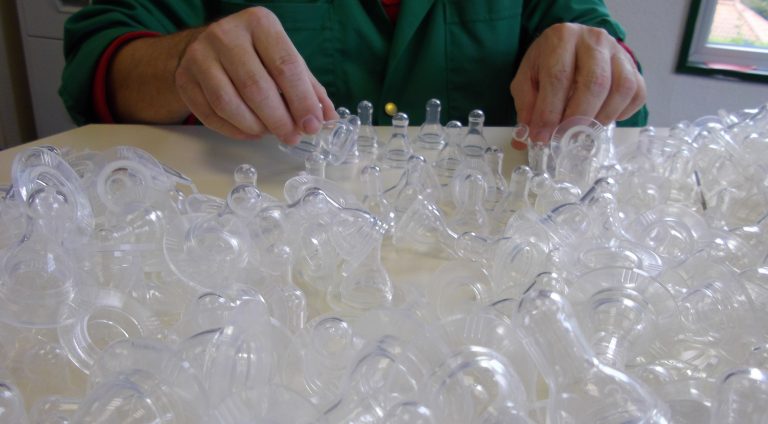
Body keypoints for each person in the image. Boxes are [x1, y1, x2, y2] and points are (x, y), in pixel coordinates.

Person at [60, 0, 647, 146]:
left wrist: (598, 66)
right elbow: (98, 60)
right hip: (269, 266)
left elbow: (617, 86)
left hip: (492, 274)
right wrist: (181, 62)